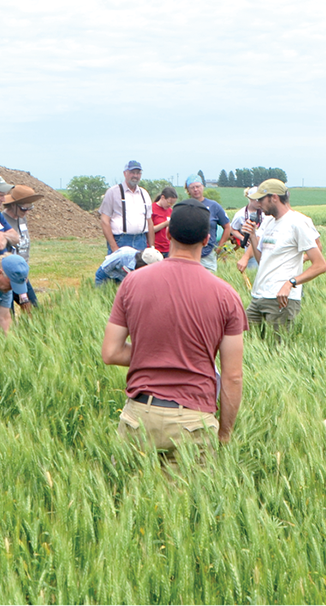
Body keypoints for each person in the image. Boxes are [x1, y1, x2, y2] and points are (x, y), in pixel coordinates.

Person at [101, 200, 246, 467]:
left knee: (126, 504)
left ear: (167, 234)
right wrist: (224, 434)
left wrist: (153, 352)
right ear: (206, 240)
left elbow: (110, 352)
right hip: (194, 423)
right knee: (188, 507)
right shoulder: (227, 295)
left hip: (139, 418)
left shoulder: (132, 282)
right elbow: (232, 376)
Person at [239, 178, 326, 333]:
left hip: (281, 299)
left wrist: (290, 283)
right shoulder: (268, 222)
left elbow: (320, 265)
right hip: (259, 296)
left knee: (278, 350)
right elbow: (262, 260)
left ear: (274, 197)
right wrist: (252, 237)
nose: (258, 204)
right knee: (246, 341)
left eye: (261, 199)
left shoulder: (297, 222)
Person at [1, 184, 44, 307]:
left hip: (21, 273)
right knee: (8, 313)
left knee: (34, 309)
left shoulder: (22, 218)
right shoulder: (3, 220)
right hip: (8, 274)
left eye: (29, 208)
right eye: (23, 209)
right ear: (13, 204)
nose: (27, 212)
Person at [98, 161, 153, 254]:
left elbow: (149, 222)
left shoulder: (144, 194)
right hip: (121, 240)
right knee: (120, 268)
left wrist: (152, 247)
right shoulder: (113, 192)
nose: (135, 175)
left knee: (140, 268)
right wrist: (114, 246)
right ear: (125, 173)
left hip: (141, 240)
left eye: (138, 173)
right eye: (132, 172)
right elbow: (104, 221)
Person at [184, 174, 231, 272]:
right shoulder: (185, 206)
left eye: (198, 186)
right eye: (192, 187)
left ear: (203, 187)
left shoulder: (214, 206)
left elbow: (227, 227)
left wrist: (220, 247)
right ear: (188, 190)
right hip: (189, 253)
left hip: (209, 253)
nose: (196, 190)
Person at [229, 188, 264, 269]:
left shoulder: (265, 212)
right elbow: (233, 229)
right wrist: (242, 237)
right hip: (251, 251)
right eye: (257, 200)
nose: (260, 202)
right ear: (250, 199)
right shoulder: (240, 215)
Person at [94, 246, 163, 286]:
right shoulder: (123, 256)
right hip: (105, 275)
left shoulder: (142, 264)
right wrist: (124, 280)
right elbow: (106, 268)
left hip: (123, 278)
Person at [150, 186, 178, 255]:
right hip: (155, 248)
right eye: (169, 203)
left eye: (172, 204)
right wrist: (165, 224)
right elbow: (150, 230)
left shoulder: (170, 211)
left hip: (168, 248)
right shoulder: (152, 209)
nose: (170, 205)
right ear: (162, 197)